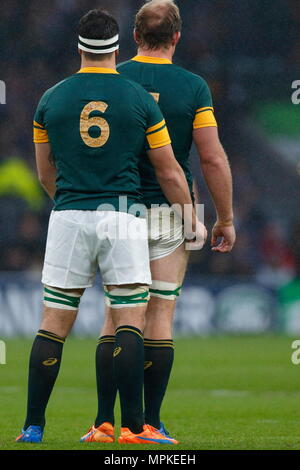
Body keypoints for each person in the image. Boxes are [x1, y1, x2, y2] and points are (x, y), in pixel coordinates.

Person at [16, 8, 204, 445]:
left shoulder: (51, 98)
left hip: (69, 215)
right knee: (129, 320)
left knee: (53, 322)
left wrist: (68, 205)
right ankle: (136, 429)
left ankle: (33, 426)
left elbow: (46, 173)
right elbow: (170, 171)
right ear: (117, 48)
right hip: (123, 216)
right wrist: (191, 220)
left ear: (79, 48)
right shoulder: (137, 98)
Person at [83, 0, 235, 444]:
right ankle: (150, 422)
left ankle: (102, 422)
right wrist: (224, 217)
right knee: (161, 310)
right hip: (172, 209)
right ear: (177, 37)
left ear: (133, 36)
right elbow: (211, 156)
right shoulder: (192, 86)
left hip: (114, 207)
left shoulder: (111, 79)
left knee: (115, 314)